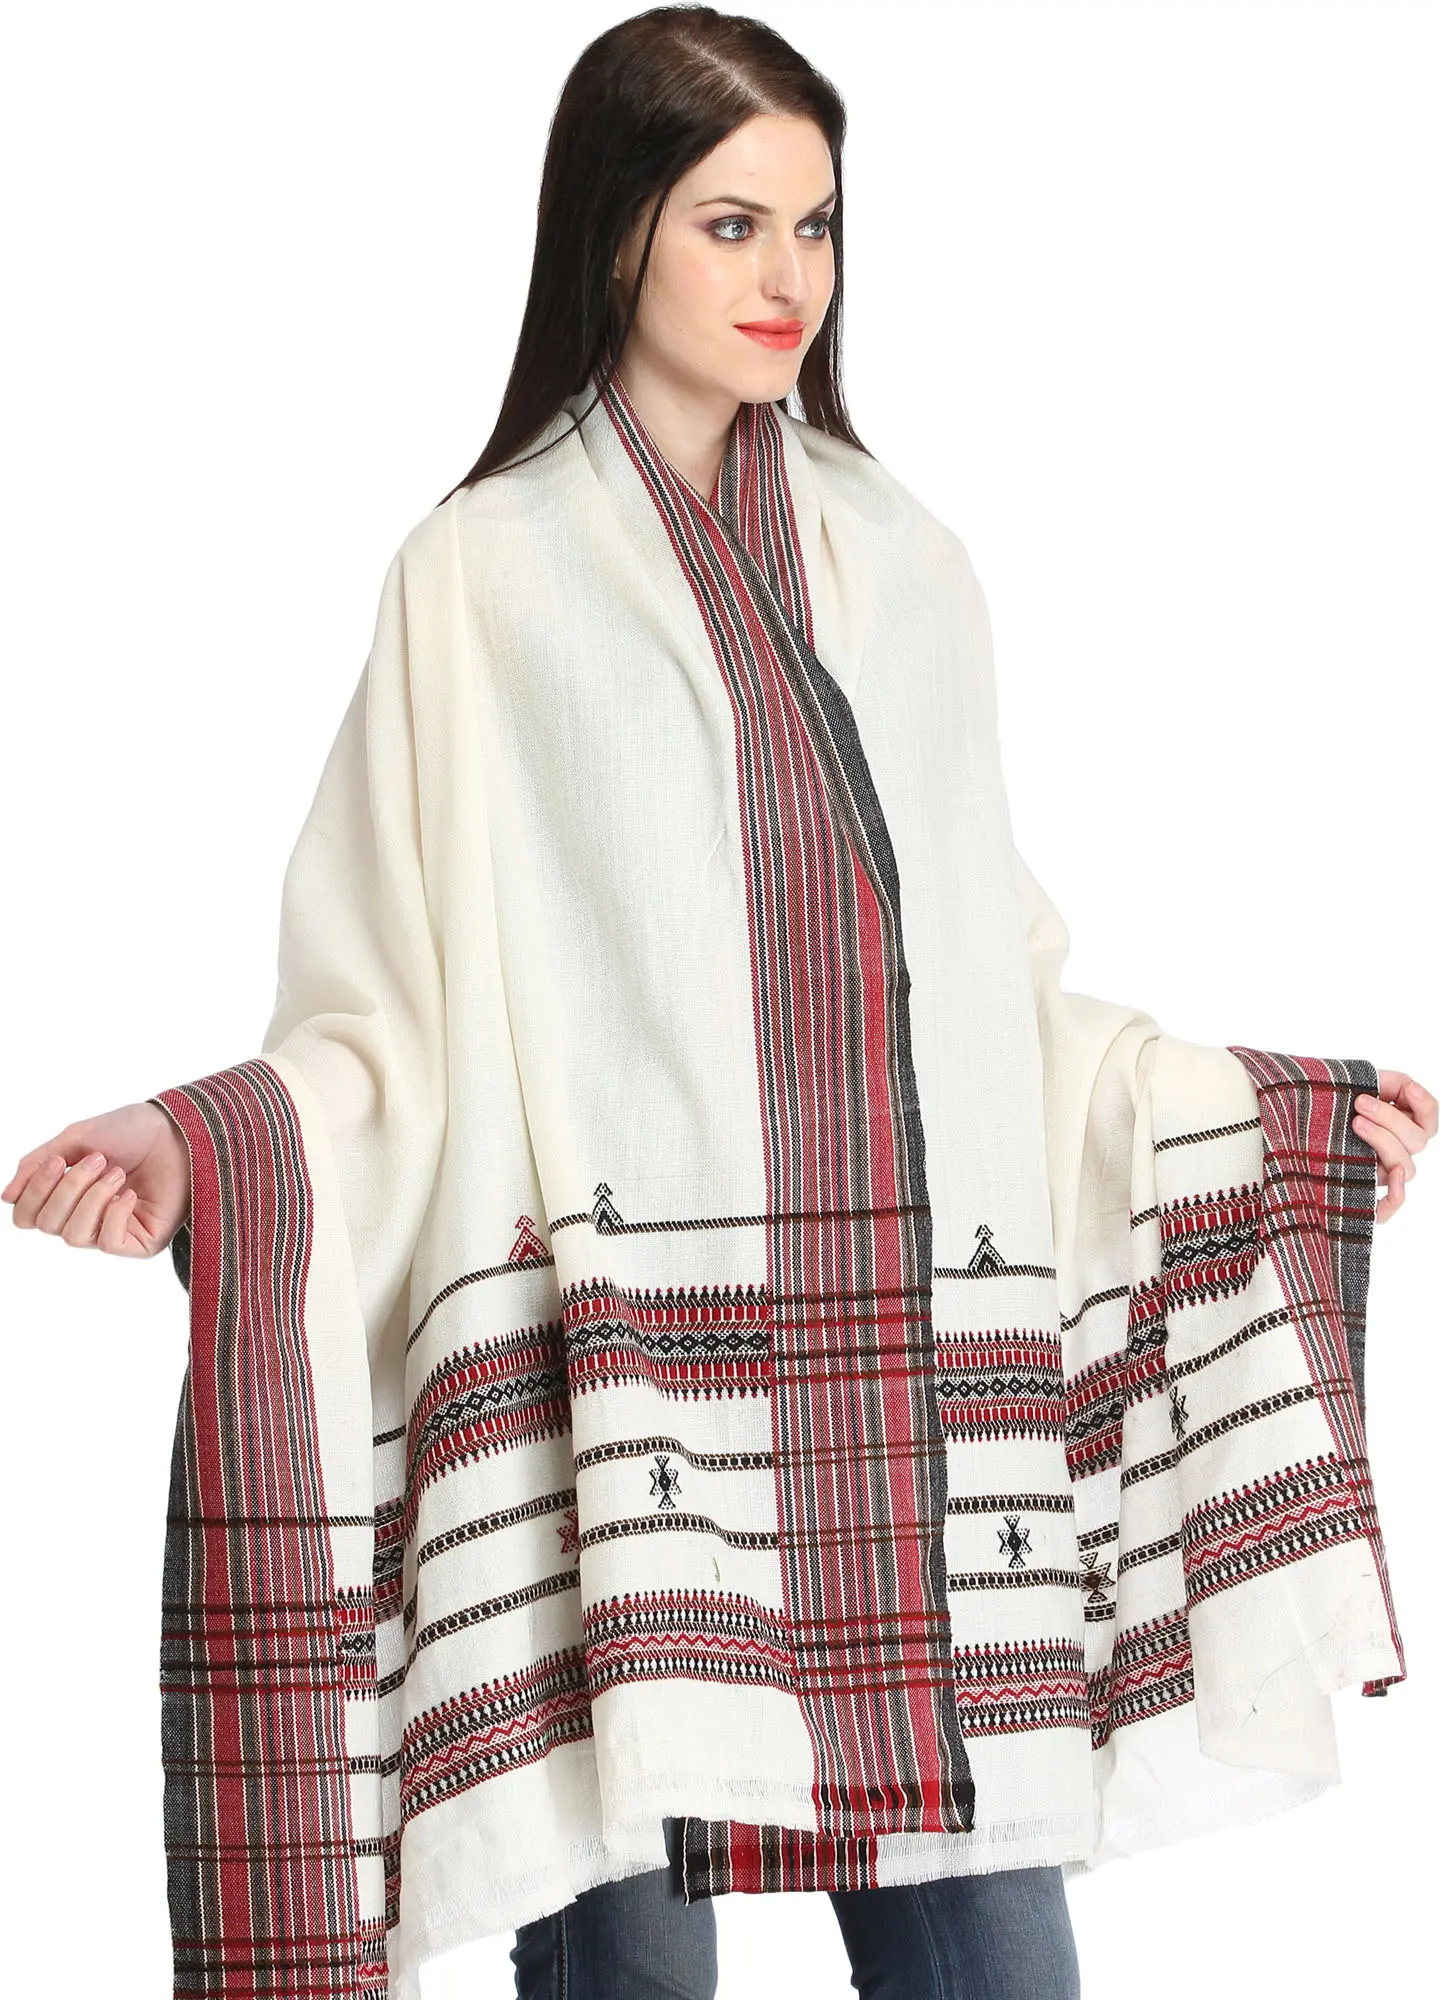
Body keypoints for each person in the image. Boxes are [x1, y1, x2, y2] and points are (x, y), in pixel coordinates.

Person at [4, 10, 1433, 2000]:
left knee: (995, 1970)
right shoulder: (480, 579)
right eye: (732, 223)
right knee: (633, 1987)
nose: (788, 279)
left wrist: (1255, 1112)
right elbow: (394, 1013)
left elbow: (992, 1004)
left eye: (817, 226)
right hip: (623, 1409)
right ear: (616, 234)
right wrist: (201, 1147)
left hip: (905, 1415)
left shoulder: (903, 564)